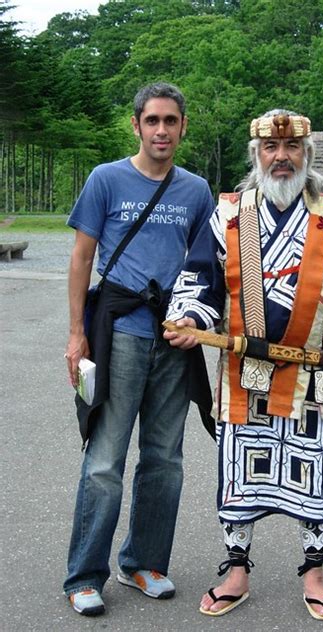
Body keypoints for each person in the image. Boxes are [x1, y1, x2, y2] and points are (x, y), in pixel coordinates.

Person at [164, 109, 323, 621]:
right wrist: (190, 316)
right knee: (240, 471)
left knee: (311, 469)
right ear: (256, 156)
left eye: (292, 148)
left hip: (312, 372)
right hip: (245, 371)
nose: (281, 158)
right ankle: (236, 568)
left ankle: (314, 571)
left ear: (307, 154)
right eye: (271, 150)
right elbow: (199, 280)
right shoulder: (228, 215)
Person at [63, 82, 215, 616]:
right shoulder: (107, 179)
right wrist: (76, 333)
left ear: (182, 126)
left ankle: (144, 562)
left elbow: (207, 268)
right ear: (136, 124)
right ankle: (84, 575)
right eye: (152, 121)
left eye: (171, 121)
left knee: (164, 459)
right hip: (120, 331)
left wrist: (196, 319)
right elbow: (82, 258)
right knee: (105, 458)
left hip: (175, 336)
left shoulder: (196, 191)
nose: (161, 131)